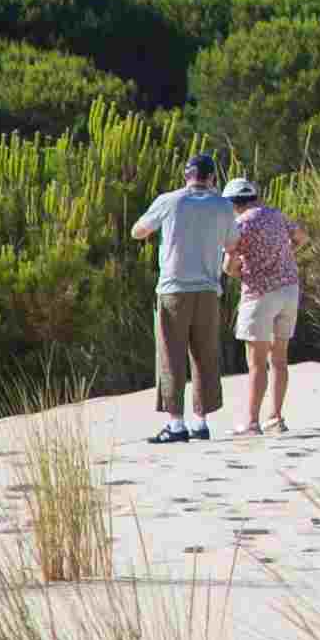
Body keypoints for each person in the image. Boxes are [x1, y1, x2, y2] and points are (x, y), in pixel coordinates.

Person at [127, 153, 236, 442]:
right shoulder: (223, 205)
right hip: (209, 289)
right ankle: (201, 422)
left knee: (171, 355)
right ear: (212, 177)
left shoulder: (169, 200)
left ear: (186, 176)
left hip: (174, 288)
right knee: (205, 355)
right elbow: (232, 243)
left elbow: (138, 231)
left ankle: (176, 424)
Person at [224, 177, 306, 435]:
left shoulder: (239, 224)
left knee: (256, 362)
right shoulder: (277, 215)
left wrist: (241, 271)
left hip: (259, 295)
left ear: (233, 203)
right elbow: (302, 237)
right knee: (279, 359)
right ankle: (275, 417)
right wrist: (283, 253)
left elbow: (229, 266)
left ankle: (251, 423)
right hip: (289, 290)